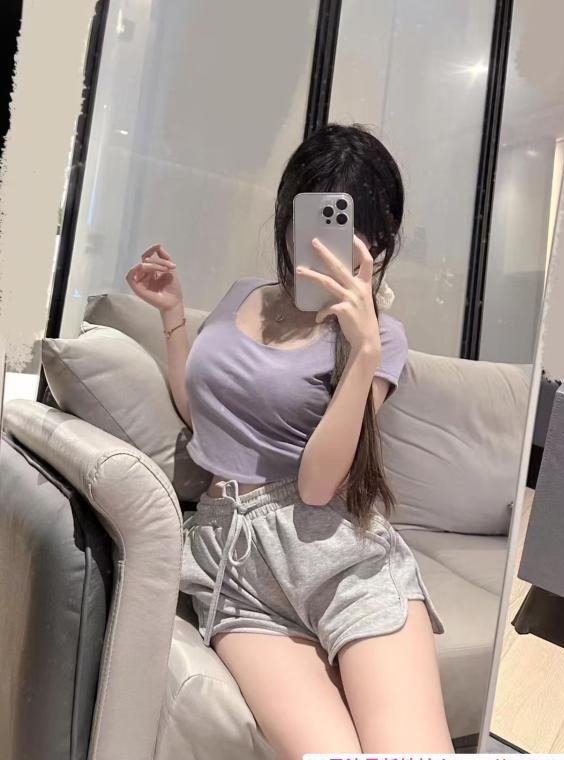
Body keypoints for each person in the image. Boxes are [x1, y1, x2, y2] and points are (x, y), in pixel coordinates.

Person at [126, 123, 453, 758]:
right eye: (308, 220)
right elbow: (205, 416)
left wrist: (363, 350)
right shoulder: (241, 296)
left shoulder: (381, 339)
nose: (319, 244)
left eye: (345, 227)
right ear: (287, 215)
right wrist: (172, 315)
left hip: (343, 558)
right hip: (234, 562)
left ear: (378, 241)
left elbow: (318, 485)